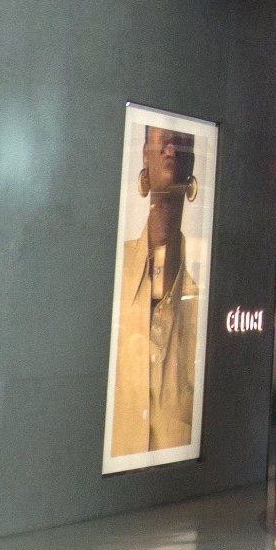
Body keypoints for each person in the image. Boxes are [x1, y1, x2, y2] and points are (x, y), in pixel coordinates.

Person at [111, 122, 201, 460]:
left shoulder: (199, 298)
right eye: (161, 137)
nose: (171, 145)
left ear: (191, 165)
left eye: (182, 140)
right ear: (145, 156)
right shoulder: (115, 270)